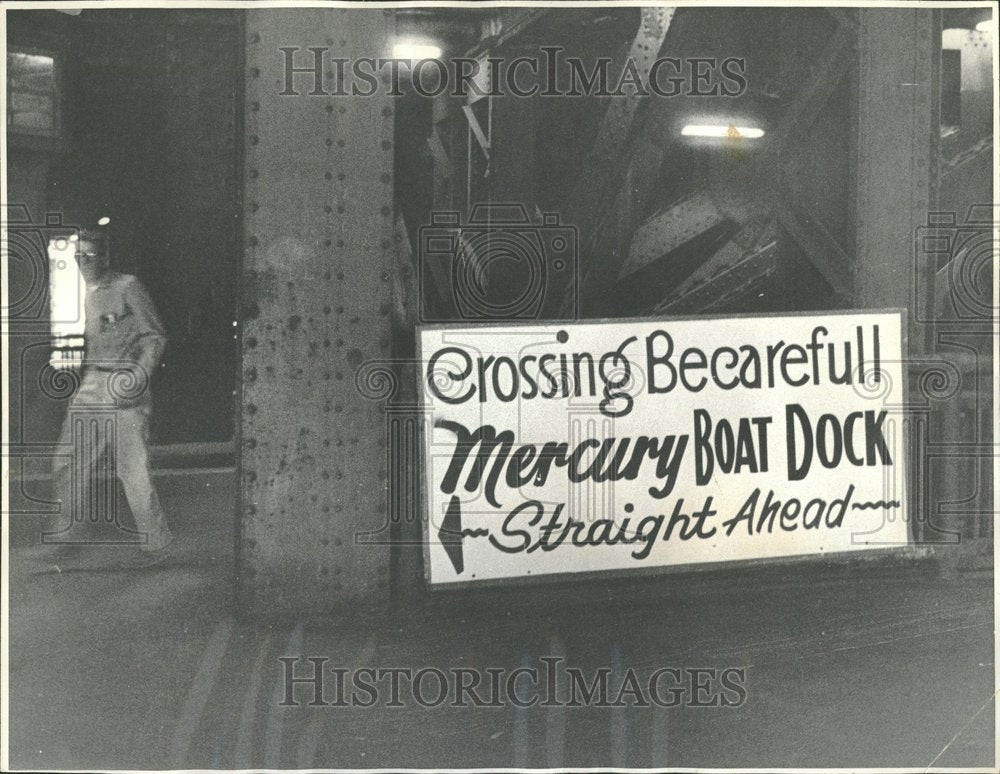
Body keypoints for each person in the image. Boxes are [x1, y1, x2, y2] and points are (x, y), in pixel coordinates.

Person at [40, 220, 174, 566]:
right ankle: (66, 537)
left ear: (104, 256)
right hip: (92, 382)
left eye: (91, 253)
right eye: (79, 254)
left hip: (123, 382)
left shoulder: (128, 287)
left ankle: (155, 544)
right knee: (67, 462)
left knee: (133, 469)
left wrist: (138, 378)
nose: (84, 259)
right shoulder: (83, 292)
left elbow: (155, 336)